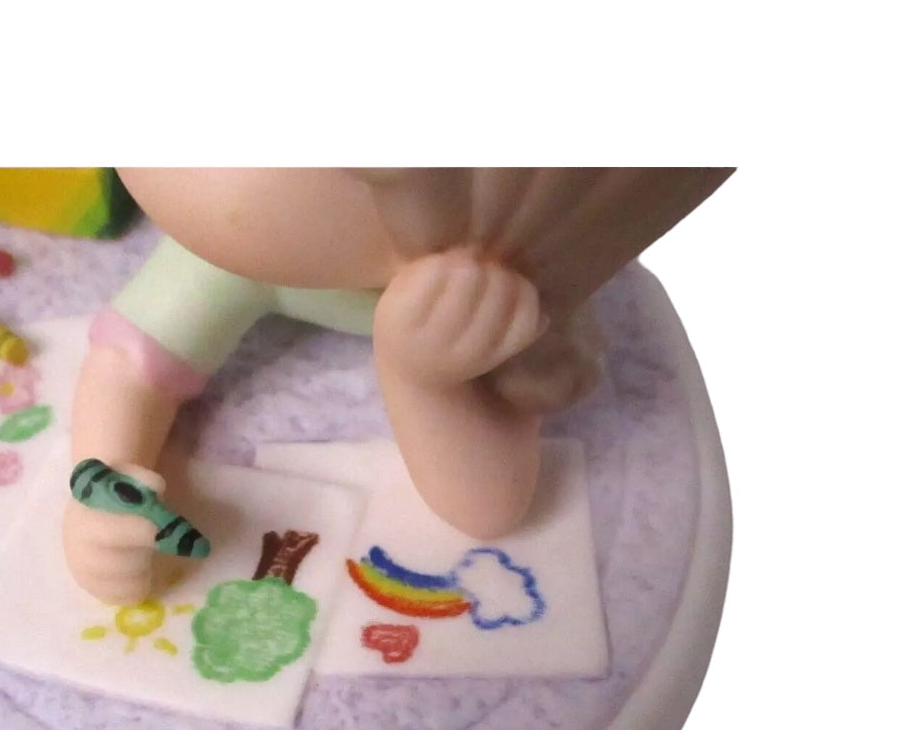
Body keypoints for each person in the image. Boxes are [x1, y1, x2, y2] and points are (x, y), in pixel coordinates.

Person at [65, 167, 733, 604]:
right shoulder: (223, 255)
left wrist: (428, 383)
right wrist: (101, 483)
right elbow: (128, 366)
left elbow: (487, 505)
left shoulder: (491, 288)